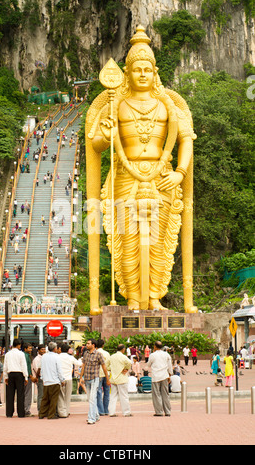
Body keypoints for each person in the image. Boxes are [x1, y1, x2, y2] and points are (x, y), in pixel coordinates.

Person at [86, 25, 196, 313]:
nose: (143, 74)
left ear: (155, 72)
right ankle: (133, 298)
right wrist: (107, 135)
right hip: (125, 177)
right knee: (127, 239)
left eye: (148, 68)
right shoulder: (116, 105)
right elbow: (95, 144)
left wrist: (179, 173)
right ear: (127, 73)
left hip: (162, 179)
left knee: (159, 242)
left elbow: (186, 140)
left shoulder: (168, 105)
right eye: (137, 69)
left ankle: (155, 297)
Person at [79, 339, 111, 424]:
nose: (87, 345)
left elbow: (104, 367)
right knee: (90, 399)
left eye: (88, 344)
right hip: (87, 378)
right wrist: (80, 377)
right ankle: (96, 415)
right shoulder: (85, 354)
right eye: (87, 343)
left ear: (93, 345)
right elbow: (83, 365)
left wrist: (107, 379)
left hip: (95, 378)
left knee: (93, 399)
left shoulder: (98, 354)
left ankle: (91, 418)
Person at [39, 342, 65, 420]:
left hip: (46, 381)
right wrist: (62, 380)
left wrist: (43, 378)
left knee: (45, 399)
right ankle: (51, 414)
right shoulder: (57, 357)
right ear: (54, 348)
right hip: (54, 381)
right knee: (54, 399)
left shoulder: (43, 356)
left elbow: (42, 368)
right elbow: (59, 370)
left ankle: (42, 414)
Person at [3, 338, 29, 418]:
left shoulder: (8, 354)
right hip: (19, 374)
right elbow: (23, 365)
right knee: (20, 394)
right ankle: (21, 413)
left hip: (10, 374)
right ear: (19, 345)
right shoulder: (21, 354)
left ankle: (9, 413)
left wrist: (5, 377)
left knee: (10, 394)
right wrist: (26, 377)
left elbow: (5, 366)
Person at [147, 341, 173, 416]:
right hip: (164, 376)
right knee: (165, 394)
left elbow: (148, 364)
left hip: (156, 377)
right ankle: (167, 411)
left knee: (156, 394)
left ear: (155, 346)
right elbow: (170, 366)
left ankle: (159, 412)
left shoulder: (152, 355)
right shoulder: (166, 354)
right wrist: (170, 375)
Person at [106, 344, 132, 417]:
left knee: (113, 396)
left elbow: (106, 364)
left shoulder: (112, 356)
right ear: (123, 349)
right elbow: (129, 363)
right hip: (122, 378)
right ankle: (126, 412)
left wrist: (111, 369)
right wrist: (126, 369)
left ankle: (111, 412)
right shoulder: (123, 357)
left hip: (113, 379)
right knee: (124, 396)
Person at [57, 343, 82, 417]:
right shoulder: (71, 358)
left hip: (60, 379)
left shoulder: (57, 357)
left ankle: (61, 412)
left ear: (60, 349)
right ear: (68, 350)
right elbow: (79, 364)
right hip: (69, 378)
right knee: (67, 396)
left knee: (60, 396)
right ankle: (67, 411)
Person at [96, 338, 111, 416]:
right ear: (103, 345)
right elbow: (109, 364)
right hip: (106, 374)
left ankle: (100, 411)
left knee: (98, 393)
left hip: (98, 375)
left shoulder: (95, 353)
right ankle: (106, 410)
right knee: (107, 393)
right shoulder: (107, 353)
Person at [24, 343, 37, 417]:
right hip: (27, 377)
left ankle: (24, 409)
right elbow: (27, 367)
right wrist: (31, 376)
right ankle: (26, 410)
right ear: (25, 349)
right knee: (28, 393)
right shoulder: (26, 356)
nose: (31, 350)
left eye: (31, 348)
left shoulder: (25, 355)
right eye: (29, 348)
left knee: (24, 393)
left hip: (24, 376)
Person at [32, 344, 46, 413]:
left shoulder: (45, 358)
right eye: (42, 349)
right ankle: (40, 410)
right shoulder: (36, 359)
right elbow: (37, 369)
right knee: (41, 395)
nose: (44, 351)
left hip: (46, 378)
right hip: (40, 378)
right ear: (38, 350)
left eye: (44, 349)